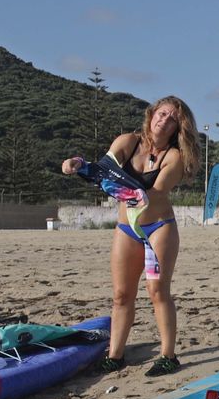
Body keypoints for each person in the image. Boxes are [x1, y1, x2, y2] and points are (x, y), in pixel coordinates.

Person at [60, 95, 199, 377]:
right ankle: (115, 356)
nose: (164, 120)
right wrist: (78, 164)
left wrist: (108, 182)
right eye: (162, 113)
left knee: (158, 292)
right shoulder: (127, 141)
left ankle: (168, 356)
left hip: (158, 229)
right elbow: (103, 169)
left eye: (172, 118)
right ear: (151, 115)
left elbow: (154, 194)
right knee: (122, 295)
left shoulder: (174, 157)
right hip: (127, 229)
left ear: (178, 127)